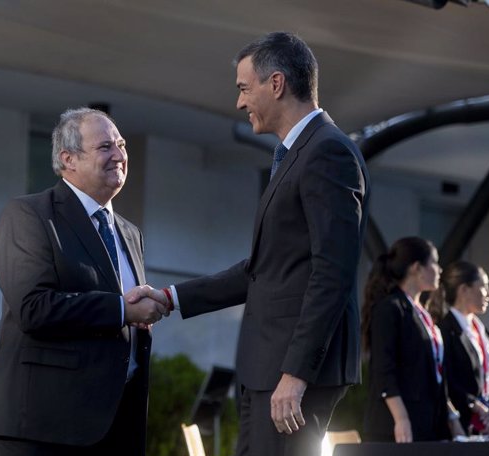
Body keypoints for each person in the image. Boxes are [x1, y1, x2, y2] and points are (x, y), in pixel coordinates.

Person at [135, 31, 369, 456]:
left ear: (276, 84)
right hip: (271, 370)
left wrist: (295, 374)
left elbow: (332, 273)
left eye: (244, 89)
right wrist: (170, 297)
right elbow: (264, 269)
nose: (240, 103)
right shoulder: (300, 154)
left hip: (290, 375)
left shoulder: (327, 153)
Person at [0, 107, 168, 456]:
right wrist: (122, 310)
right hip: (46, 429)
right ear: (68, 159)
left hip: (116, 426)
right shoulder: (30, 215)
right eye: (105, 147)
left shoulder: (129, 233)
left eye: (122, 144)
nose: (119, 155)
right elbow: (33, 308)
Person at [361, 236, 464, 442]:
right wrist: (402, 418)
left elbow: (434, 375)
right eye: (435, 263)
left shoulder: (422, 312)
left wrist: (452, 418)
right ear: (417, 268)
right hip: (397, 428)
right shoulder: (390, 308)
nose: (440, 270)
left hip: (428, 424)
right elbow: (384, 370)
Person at [432, 261, 489, 435]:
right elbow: (445, 380)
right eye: (484, 287)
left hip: (488, 428)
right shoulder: (444, 330)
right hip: (458, 427)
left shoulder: (485, 333)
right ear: (463, 289)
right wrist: (474, 404)